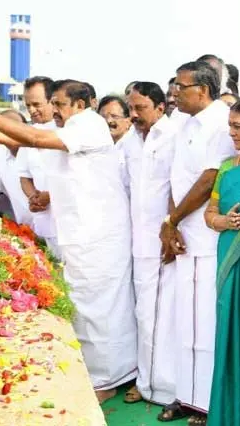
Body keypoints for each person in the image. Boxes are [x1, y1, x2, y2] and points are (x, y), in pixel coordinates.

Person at [0, 81, 136, 404]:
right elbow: (16, 139)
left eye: (60, 103)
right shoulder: (67, 127)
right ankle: (91, 374)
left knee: (102, 309)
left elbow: (33, 137)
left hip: (100, 235)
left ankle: (109, 379)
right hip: (79, 233)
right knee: (83, 306)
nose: (54, 110)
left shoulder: (90, 126)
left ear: (81, 105)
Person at [158, 60, 236, 425]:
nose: (174, 93)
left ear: (202, 91)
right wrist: (171, 225)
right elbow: (177, 177)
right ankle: (186, 397)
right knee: (185, 321)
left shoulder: (221, 122)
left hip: (209, 239)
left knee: (207, 323)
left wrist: (173, 220)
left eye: (181, 87)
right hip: (184, 236)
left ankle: (208, 402)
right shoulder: (185, 123)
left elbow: (208, 181)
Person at [118, 81, 178, 407]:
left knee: (162, 315)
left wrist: (171, 228)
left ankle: (163, 387)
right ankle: (146, 381)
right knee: (143, 314)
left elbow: (178, 187)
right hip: (136, 243)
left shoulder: (172, 137)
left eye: (140, 108)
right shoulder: (129, 140)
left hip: (165, 242)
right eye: (131, 108)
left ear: (159, 107)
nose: (134, 114)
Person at [203, 101, 240, 426]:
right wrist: (224, 222)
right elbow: (209, 215)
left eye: (238, 127)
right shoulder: (227, 168)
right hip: (229, 260)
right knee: (229, 334)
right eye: (231, 126)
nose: (233, 133)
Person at [17, 76, 61, 257]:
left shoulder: (65, 130)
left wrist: (50, 196)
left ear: (52, 102)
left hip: (68, 223)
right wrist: (33, 197)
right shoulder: (28, 133)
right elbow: (24, 176)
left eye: (37, 104)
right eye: (28, 106)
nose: (32, 111)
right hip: (43, 222)